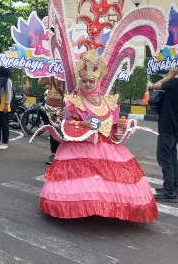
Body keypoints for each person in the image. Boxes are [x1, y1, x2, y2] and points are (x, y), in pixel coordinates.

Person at [40, 50, 158, 221]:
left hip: (105, 147)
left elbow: (113, 131)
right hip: (79, 146)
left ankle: (104, 207)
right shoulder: (73, 100)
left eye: (91, 81)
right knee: (83, 179)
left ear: (97, 82)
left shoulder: (108, 101)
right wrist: (80, 124)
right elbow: (66, 124)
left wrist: (122, 127)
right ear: (81, 81)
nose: (87, 84)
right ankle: (84, 207)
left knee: (107, 180)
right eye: (85, 81)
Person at [152, 67, 178, 202]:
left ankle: (169, 190)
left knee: (166, 157)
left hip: (168, 125)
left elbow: (155, 86)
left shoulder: (174, 83)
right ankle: (174, 187)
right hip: (175, 126)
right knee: (172, 156)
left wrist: (170, 75)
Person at [39, 76, 65, 164]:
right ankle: (53, 153)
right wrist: (44, 78)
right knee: (53, 130)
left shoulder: (67, 71)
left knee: (62, 130)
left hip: (62, 105)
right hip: (50, 105)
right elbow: (40, 82)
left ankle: (63, 153)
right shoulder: (50, 70)